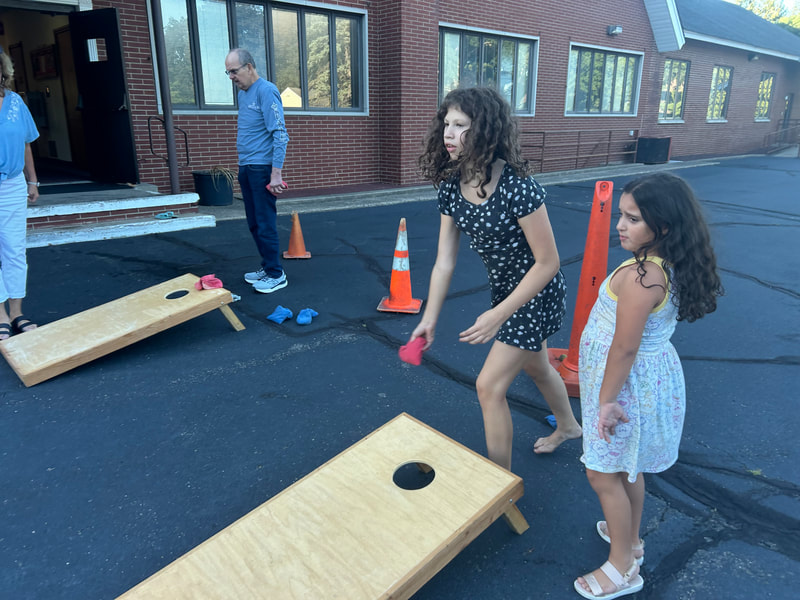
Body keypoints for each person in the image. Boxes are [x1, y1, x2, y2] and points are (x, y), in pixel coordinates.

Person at [409, 87, 582, 471]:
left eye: (460, 126)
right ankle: (569, 426)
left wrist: (498, 315)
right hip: (506, 292)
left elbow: (548, 262)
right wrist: (429, 319)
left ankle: (499, 486)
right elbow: (444, 262)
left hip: (535, 292)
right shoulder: (452, 189)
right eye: (446, 125)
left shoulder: (517, 187)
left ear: (485, 130)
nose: (449, 135)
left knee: (489, 387)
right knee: (537, 366)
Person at [574, 173, 723, 599]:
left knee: (601, 472)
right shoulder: (658, 267)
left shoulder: (642, 278)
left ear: (664, 228)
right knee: (627, 465)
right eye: (621, 215)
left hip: (623, 389)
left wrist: (605, 402)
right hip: (635, 383)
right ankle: (631, 537)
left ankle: (623, 567)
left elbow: (624, 348)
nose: (620, 225)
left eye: (633, 219)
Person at [225, 48, 290, 294]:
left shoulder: (266, 91)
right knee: (254, 223)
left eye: (234, 71)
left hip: (262, 169)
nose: (231, 77)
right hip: (246, 167)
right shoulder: (244, 94)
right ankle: (267, 266)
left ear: (249, 67)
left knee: (265, 223)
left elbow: (281, 135)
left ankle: (276, 274)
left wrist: (276, 174)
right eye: (228, 72)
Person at [0, 46, 39, 340]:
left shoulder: (15, 103)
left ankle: (16, 313)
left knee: (15, 249)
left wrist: (32, 181)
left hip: (13, 185)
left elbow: (26, 144)